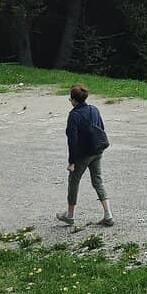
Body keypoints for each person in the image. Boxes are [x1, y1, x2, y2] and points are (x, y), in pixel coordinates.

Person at [56, 84, 114, 227]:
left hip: (83, 155)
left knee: (73, 182)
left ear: (74, 100)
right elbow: (102, 127)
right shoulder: (94, 109)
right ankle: (108, 214)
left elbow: (72, 141)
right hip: (97, 151)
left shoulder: (74, 116)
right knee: (98, 181)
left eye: (70, 99)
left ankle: (70, 215)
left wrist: (72, 162)